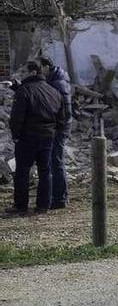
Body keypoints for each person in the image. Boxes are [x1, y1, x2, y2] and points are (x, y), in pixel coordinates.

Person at [4, 61, 64, 216]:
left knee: (22, 172)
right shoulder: (54, 91)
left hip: (27, 137)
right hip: (48, 137)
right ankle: (43, 206)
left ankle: (21, 206)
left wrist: (16, 136)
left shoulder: (24, 91)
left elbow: (17, 117)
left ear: (32, 72)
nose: (22, 75)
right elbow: (61, 117)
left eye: (24, 71)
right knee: (45, 172)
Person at [40, 57, 72, 209]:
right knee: (55, 161)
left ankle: (60, 199)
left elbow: (65, 110)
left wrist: (56, 127)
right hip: (58, 127)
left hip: (58, 129)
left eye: (40, 68)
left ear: (46, 67)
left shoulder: (57, 83)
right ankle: (59, 196)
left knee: (56, 162)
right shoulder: (54, 79)